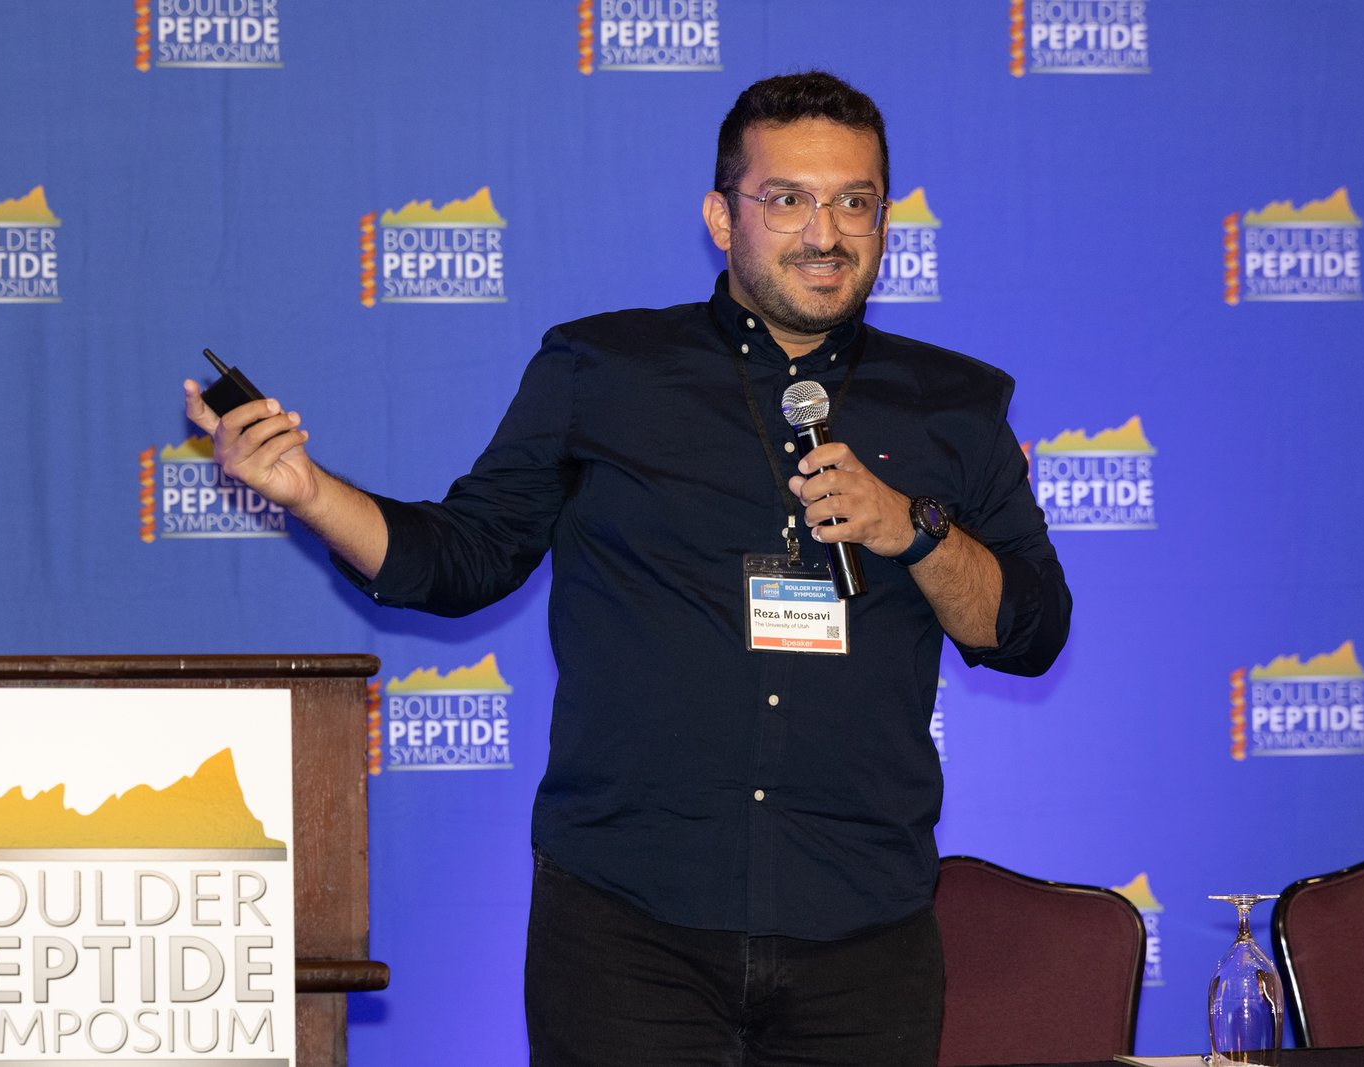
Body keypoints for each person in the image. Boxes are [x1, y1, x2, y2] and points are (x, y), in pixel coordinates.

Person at [184, 71, 1069, 1067]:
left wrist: (916, 529)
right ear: (721, 217)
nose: (824, 232)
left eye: (853, 201)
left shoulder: (955, 403)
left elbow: (1030, 631)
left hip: (864, 930)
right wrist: (309, 491)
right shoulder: (602, 372)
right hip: (629, 928)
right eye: (787, 198)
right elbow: (461, 559)